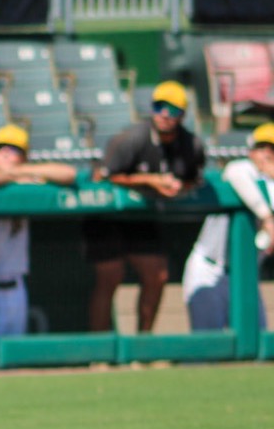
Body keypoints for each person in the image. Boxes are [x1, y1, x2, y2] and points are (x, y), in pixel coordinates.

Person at [86, 81, 204, 334]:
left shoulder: (190, 145)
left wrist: (180, 187)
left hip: (143, 215)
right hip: (107, 217)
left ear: (182, 114)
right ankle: (100, 351)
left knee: (157, 276)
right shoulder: (130, 139)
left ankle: (143, 344)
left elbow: (195, 178)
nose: (164, 114)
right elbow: (104, 177)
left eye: (172, 109)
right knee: (110, 277)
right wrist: (150, 180)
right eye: (159, 107)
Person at [180, 123, 274, 332]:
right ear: (250, 152)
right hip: (209, 269)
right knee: (206, 348)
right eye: (260, 147)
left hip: (246, 274)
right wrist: (267, 218)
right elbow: (234, 172)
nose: (266, 153)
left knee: (256, 339)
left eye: (273, 149)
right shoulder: (243, 168)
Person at [0, 124, 76, 337]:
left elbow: (69, 174)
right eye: (0, 147)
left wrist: (21, 173)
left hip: (15, 287)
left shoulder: (26, 179)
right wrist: (16, 174)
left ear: (24, 155)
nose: (5, 152)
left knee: (12, 361)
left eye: (13, 148)